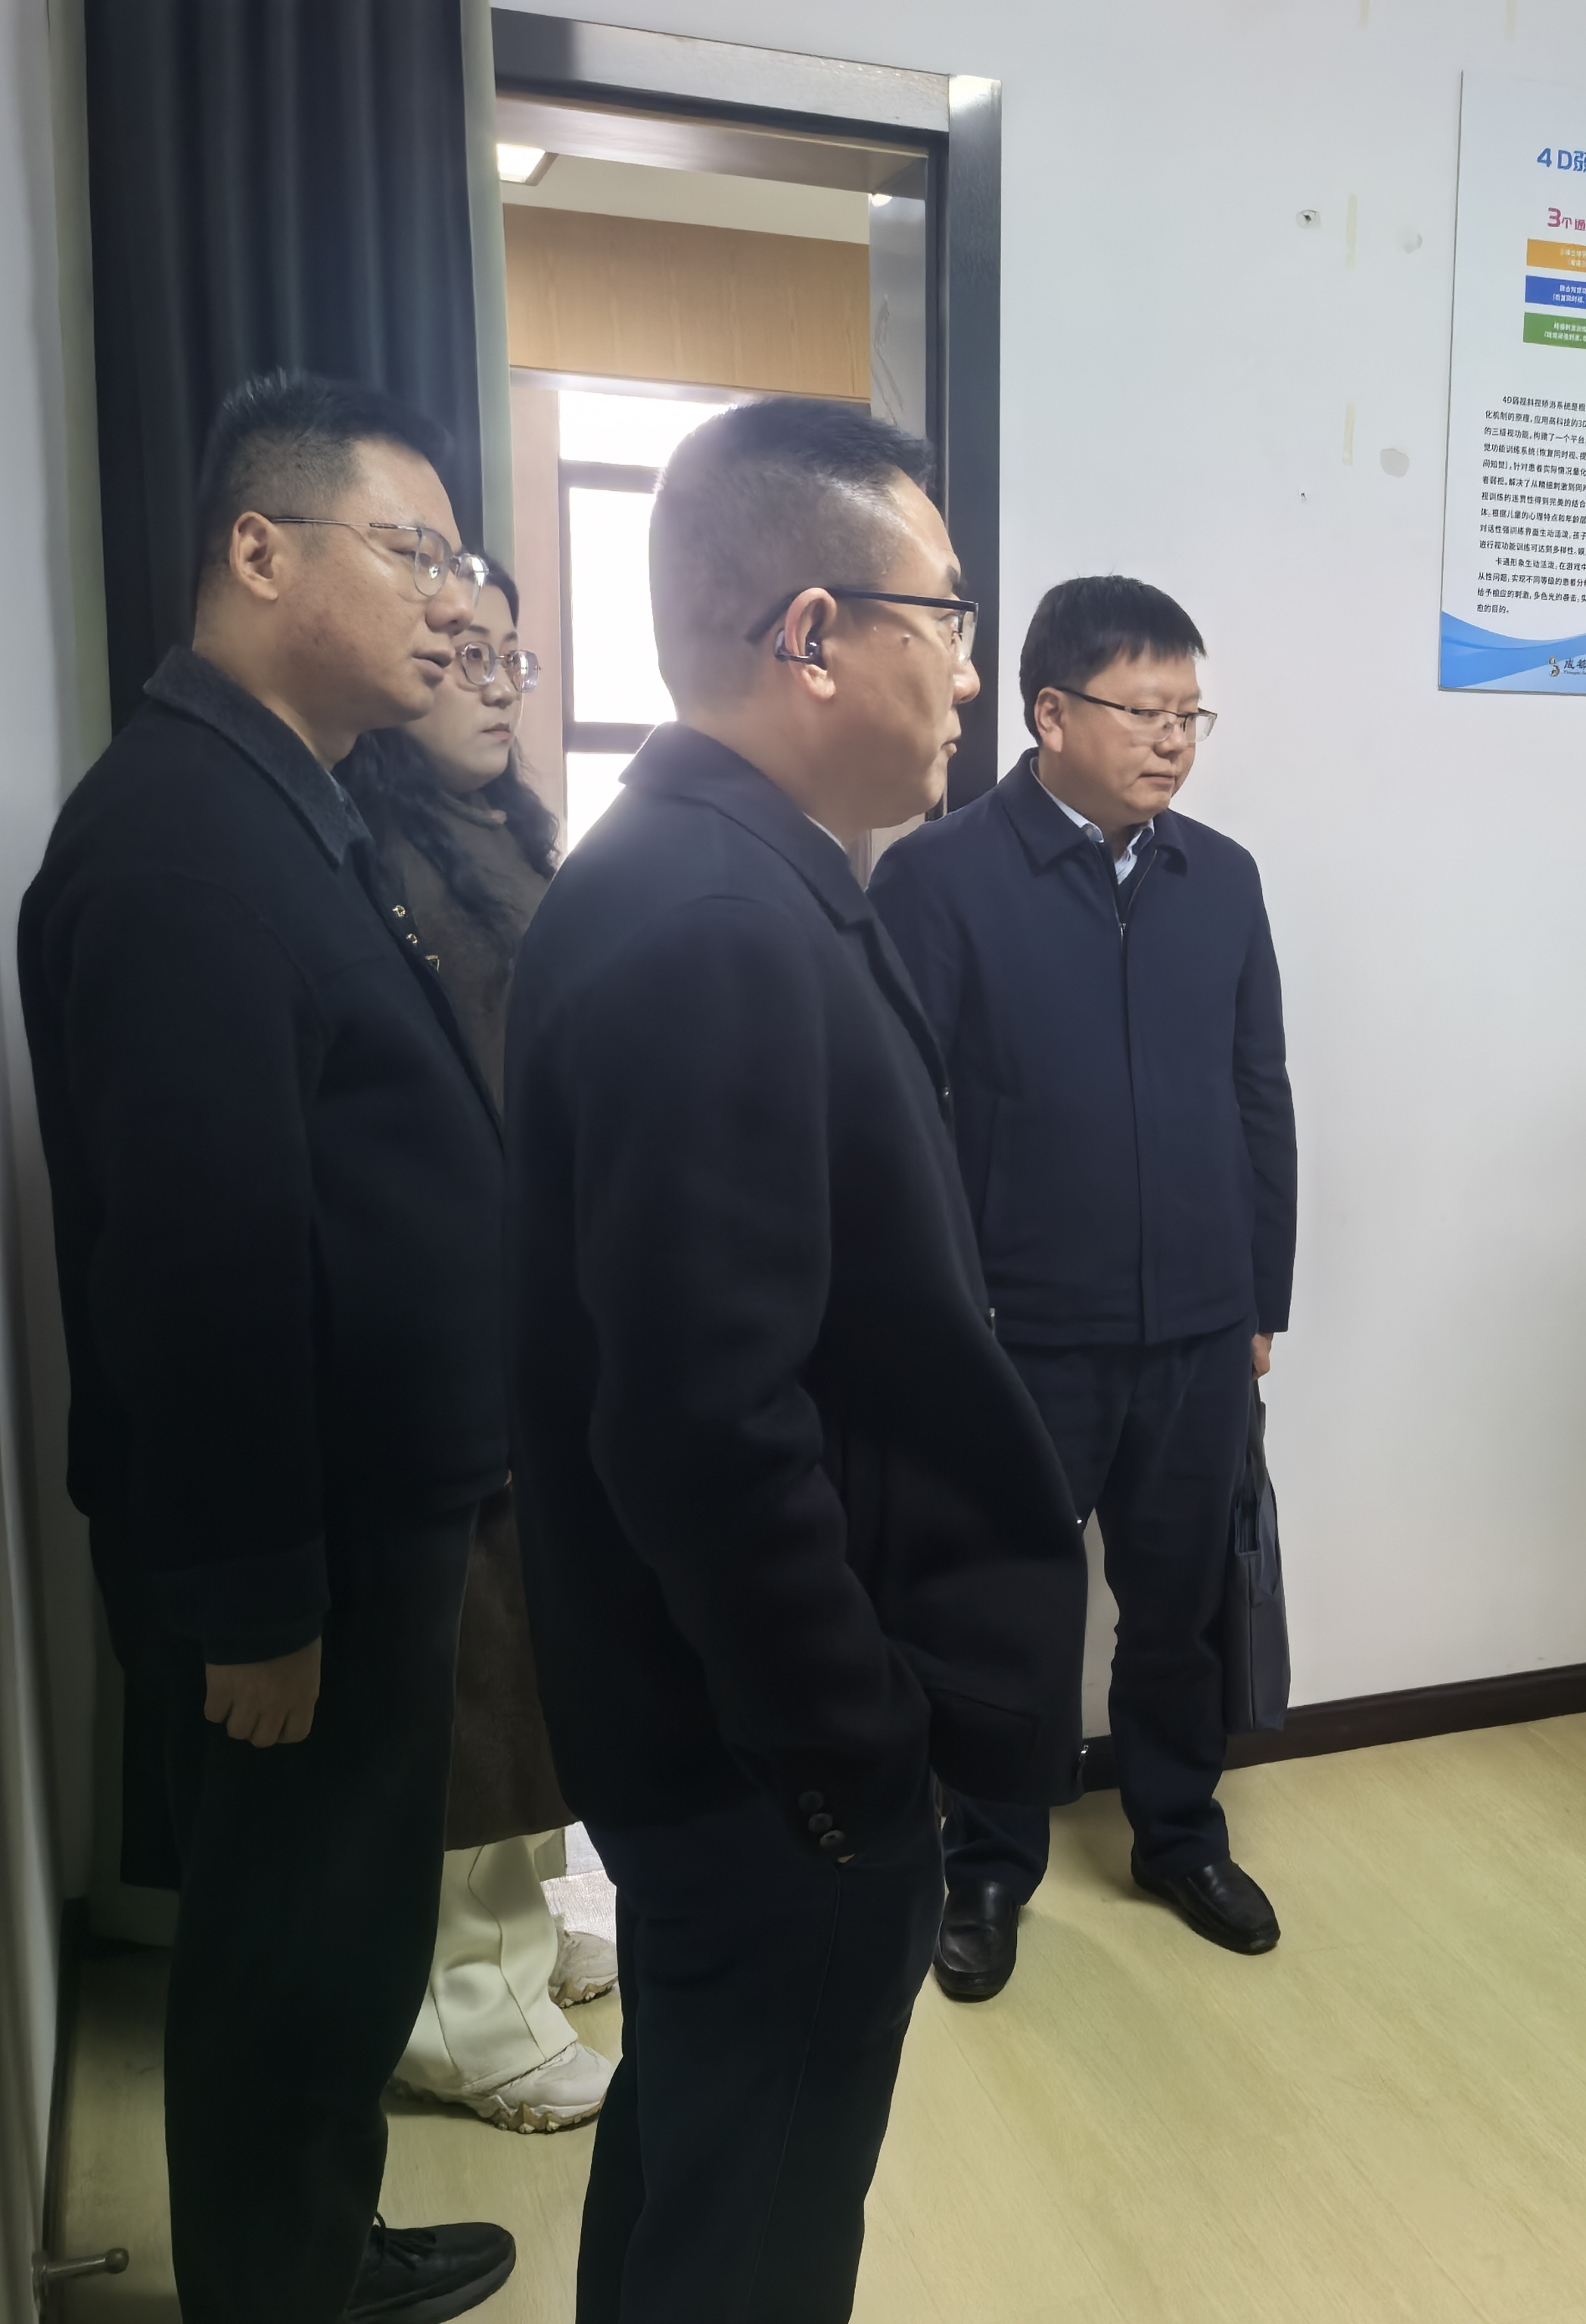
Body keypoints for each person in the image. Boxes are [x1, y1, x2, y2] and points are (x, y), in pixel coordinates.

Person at [503, 394, 1087, 2320]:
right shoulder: (707, 924)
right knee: (752, 2227)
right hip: (768, 1763)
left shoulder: (729, 875)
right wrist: (852, 1751)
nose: (971, 671)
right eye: (949, 615)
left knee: (704, 2166)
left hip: (723, 1740)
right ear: (815, 632)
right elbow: (704, 1421)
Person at [18, 371, 518, 2322]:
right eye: (410, 552)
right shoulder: (179, 846)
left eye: (455, 562)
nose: (448, 601)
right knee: (290, 1951)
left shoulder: (278, 800)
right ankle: (277, 2291)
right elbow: (198, 1259)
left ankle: (318, 2246)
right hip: (291, 1555)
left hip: (352, 1521)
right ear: (259, 550)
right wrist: (255, 1603)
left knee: (341, 1934)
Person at [874, 575, 1299, 2000]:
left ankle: (1179, 1833)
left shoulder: (1220, 877)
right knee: (1008, 1606)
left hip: (1197, 1326)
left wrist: (1260, 1297)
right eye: (1145, 712)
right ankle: (990, 1863)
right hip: (1021, 1330)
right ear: (1050, 714)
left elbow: (1258, 1092)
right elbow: (902, 1120)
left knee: (1177, 1605)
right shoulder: (939, 879)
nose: (1175, 741)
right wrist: (940, 1317)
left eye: (1192, 715)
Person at [341, 567, 620, 2135]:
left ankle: (513, 1941)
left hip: (533, 1304)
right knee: (471, 1666)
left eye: (511, 655)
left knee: (528, 1657)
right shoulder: (367, 855)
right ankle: (461, 2008)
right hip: (454, 1316)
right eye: (460, 655)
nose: (498, 682)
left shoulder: (503, 831)